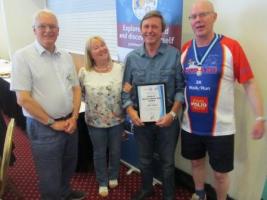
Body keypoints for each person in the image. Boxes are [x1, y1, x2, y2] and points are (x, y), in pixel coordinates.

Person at [180, 1, 266, 200]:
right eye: (193, 17)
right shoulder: (185, 49)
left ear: (214, 17)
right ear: (190, 21)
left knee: (220, 174)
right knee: (195, 163)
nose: (198, 20)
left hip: (221, 129)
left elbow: (249, 83)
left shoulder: (231, 47)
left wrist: (260, 117)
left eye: (203, 15)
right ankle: (199, 193)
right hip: (190, 125)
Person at [10, 9, 84, 200]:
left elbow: (76, 89)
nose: (48, 30)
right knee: (49, 176)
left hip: (70, 123)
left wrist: (75, 117)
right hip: (43, 127)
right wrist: (52, 123)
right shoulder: (22, 57)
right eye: (42, 26)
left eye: (52, 27)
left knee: (68, 165)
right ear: (34, 30)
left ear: (58, 31)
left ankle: (65, 192)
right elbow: (23, 99)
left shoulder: (66, 56)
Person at [122, 11, 185, 200]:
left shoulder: (174, 55)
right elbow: (125, 91)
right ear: (141, 30)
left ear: (162, 31)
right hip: (141, 119)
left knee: (167, 162)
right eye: (146, 27)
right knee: (145, 159)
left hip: (167, 119)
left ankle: (168, 195)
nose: (150, 30)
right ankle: (147, 188)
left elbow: (181, 90)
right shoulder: (132, 58)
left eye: (154, 27)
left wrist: (172, 115)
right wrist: (131, 111)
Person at [79, 36, 125, 197]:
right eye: (96, 47)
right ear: (90, 54)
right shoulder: (84, 72)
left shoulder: (120, 68)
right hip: (95, 122)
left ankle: (113, 175)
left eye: (103, 45)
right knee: (99, 152)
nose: (101, 49)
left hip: (117, 120)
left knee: (115, 150)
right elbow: (81, 94)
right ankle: (102, 181)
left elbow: (126, 91)